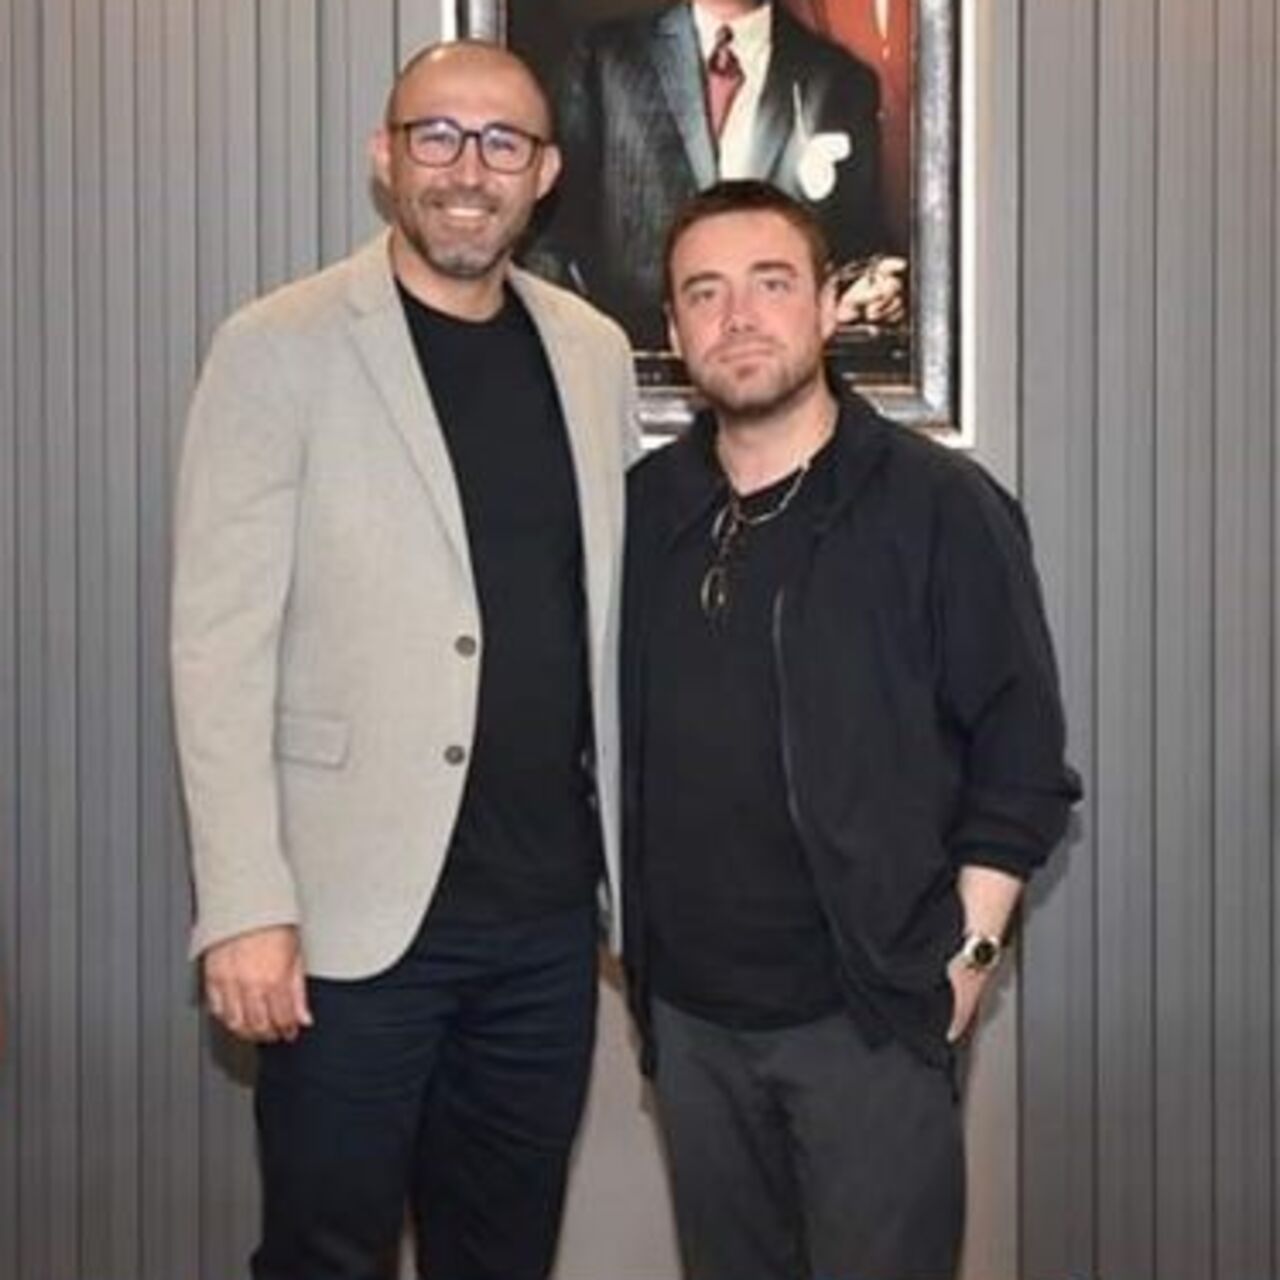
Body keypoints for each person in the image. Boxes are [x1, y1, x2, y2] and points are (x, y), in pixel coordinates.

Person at [171, 40, 638, 1280]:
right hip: (345, 922)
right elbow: (217, 645)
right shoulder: (275, 344)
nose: (466, 170)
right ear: (384, 157)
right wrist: (245, 904)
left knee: (503, 1253)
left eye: (500, 143)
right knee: (327, 1251)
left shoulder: (591, 351)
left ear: (544, 173)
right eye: (436, 135)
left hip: (544, 925)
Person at [621, 181, 1081, 1280]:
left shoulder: (939, 504)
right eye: (704, 292)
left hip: (869, 1016)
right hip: (690, 1023)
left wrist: (967, 959)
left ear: (829, 305)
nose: (739, 316)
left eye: (771, 283)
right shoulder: (640, 511)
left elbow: (1020, 759)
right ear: (674, 328)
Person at [526, 0, 906, 349]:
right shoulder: (603, 59)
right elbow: (548, 241)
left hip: (775, 367)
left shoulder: (841, 79)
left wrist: (866, 290)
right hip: (629, 371)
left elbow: (855, 244)